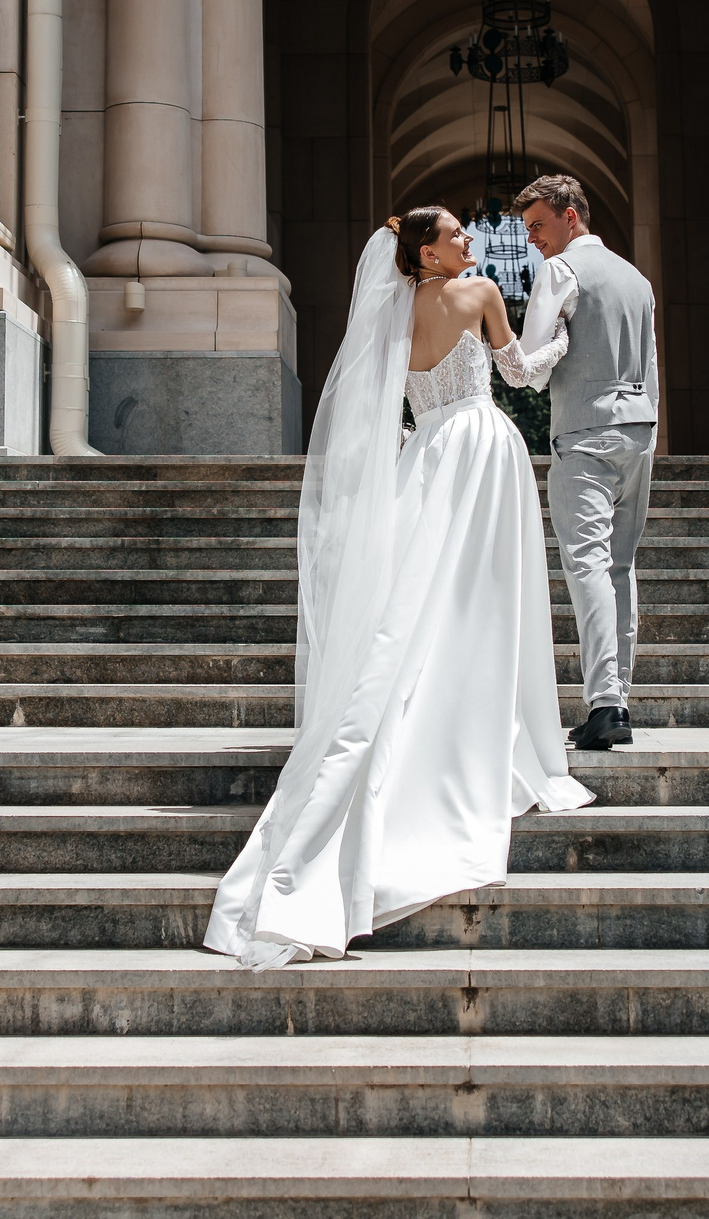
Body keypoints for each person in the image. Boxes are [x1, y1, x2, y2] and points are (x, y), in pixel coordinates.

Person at [203, 206, 595, 969]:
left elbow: (384, 404)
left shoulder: (390, 316)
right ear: (425, 248)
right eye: (455, 233)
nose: (470, 241)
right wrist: (557, 345)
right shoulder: (479, 294)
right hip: (482, 450)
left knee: (414, 607)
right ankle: (484, 724)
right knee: (480, 602)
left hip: (426, 457)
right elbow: (518, 375)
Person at [514, 172, 661, 750]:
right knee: (620, 566)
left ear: (569, 215)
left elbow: (530, 353)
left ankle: (606, 704)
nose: (532, 240)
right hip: (639, 428)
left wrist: (552, 349)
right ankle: (617, 699)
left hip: (585, 430)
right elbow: (649, 363)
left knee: (588, 565)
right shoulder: (638, 278)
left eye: (538, 226)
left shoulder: (561, 270)